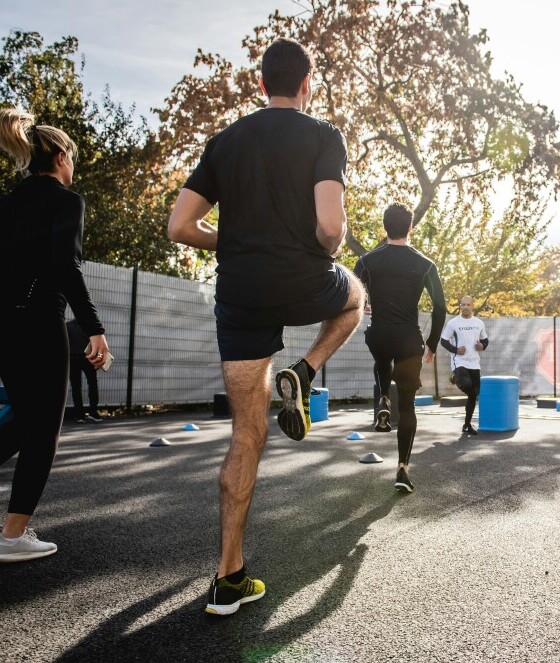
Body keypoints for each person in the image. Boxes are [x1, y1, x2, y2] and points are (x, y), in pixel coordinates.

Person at [167, 38, 365, 616]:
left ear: (261, 85)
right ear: (307, 86)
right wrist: (323, 246)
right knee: (355, 297)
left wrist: (229, 241)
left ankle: (228, 577)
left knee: (245, 436)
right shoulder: (324, 135)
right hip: (304, 281)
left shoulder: (224, 143)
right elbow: (331, 226)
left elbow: (180, 226)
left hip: (241, 295)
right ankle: (305, 370)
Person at [0, 108, 110, 561]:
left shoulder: (12, 201)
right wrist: (94, 329)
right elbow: (66, 267)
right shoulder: (65, 201)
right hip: (37, 321)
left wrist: (17, 272)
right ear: (58, 157)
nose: (73, 167)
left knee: (25, 419)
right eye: (72, 157)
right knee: (44, 428)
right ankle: (13, 535)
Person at [353, 204, 446, 493]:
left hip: (379, 334)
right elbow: (440, 308)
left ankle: (382, 398)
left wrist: (364, 304)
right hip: (409, 340)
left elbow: (352, 295)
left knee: (381, 357)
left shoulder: (367, 261)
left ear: (384, 227)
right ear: (410, 227)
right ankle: (403, 469)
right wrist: (431, 344)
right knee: (407, 406)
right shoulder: (426, 264)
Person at [440, 295, 489, 435]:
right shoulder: (453, 323)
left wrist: (482, 346)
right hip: (459, 361)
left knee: (474, 393)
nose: (466, 307)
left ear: (472, 305)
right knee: (467, 386)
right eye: (463, 305)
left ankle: (467, 425)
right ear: (460, 306)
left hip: (474, 362)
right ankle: (456, 376)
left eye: (468, 305)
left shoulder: (479, 323)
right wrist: (455, 350)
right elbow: (443, 341)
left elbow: (485, 340)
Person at [66, 319, 102, 423]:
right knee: (92, 384)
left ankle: (79, 415)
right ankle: (93, 412)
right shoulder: (90, 325)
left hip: (73, 359)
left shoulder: (68, 326)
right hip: (89, 359)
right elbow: (97, 344)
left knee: (76, 387)